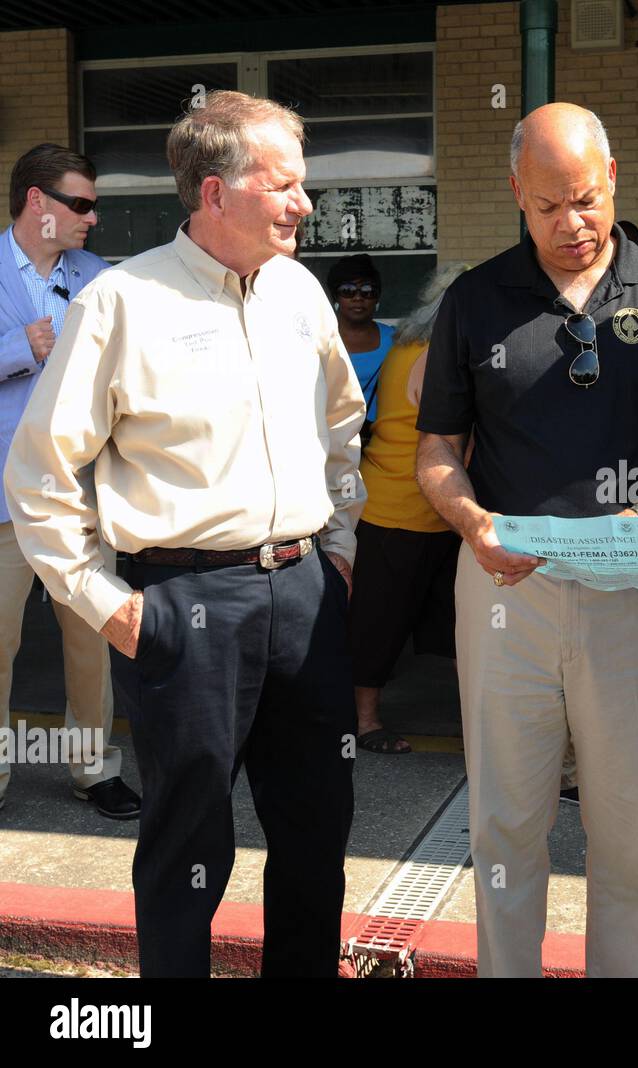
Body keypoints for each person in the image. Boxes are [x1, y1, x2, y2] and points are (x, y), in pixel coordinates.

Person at [3, 91, 367, 977]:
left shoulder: (301, 294)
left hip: (305, 596)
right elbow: (40, 475)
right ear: (214, 193)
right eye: (284, 185)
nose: (304, 204)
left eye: (303, 185)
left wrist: (342, 549)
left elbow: (342, 430)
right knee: (187, 850)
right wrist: (107, 606)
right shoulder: (121, 303)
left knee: (318, 835)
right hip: (183, 606)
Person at [415, 102, 638, 977]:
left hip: (636, 589)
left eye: (587, 200)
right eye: (549, 205)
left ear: (615, 178)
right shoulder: (476, 302)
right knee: (506, 826)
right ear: (517, 193)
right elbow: (438, 447)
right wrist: (471, 522)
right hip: (505, 586)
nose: (573, 223)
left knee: (631, 830)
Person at [0, 144, 140, 818]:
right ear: (37, 203)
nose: (91, 218)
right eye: (79, 204)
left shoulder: (102, 277)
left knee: (92, 639)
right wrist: (20, 348)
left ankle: (94, 770)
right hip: (1, 499)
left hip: (80, 495)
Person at [349, 262, 470, 755]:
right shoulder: (437, 355)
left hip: (409, 508)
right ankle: (364, 722)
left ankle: (487, 720)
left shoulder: (405, 344)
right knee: (381, 621)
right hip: (405, 511)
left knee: (442, 621)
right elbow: (451, 440)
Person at [330, 253, 395, 438]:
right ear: (336, 296)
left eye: (367, 290)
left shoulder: (397, 341)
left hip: (382, 441)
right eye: (348, 290)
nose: (358, 297)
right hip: (332, 440)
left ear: (377, 298)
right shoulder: (321, 339)